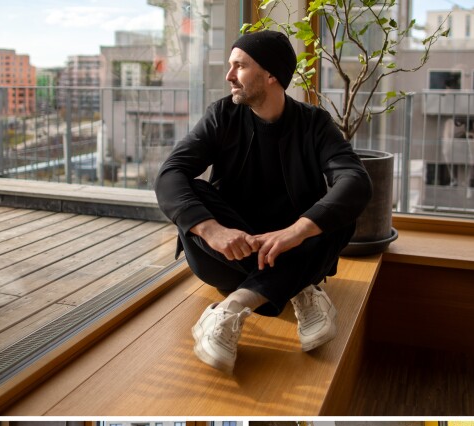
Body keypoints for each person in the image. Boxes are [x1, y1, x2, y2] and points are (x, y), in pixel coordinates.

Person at [154, 30, 372, 373]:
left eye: (239, 66)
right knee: (190, 188)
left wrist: (296, 232)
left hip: (289, 247)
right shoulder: (222, 115)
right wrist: (213, 231)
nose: (228, 76)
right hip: (227, 254)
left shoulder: (313, 124)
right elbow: (169, 174)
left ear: (271, 74)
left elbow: (355, 180)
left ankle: (233, 306)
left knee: (342, 209)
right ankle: (300, 288)